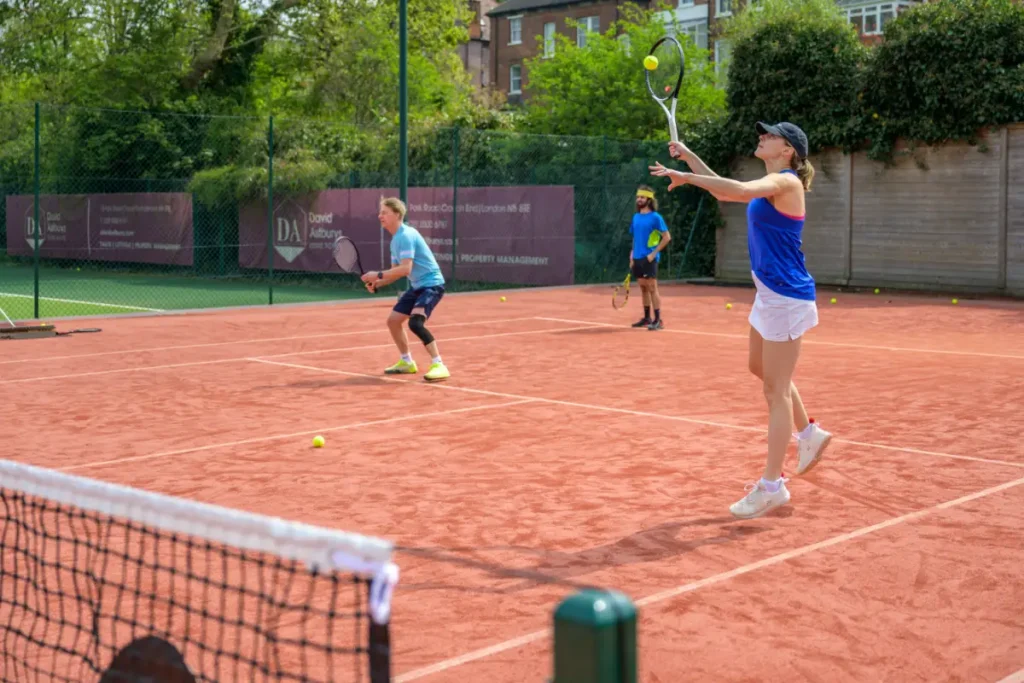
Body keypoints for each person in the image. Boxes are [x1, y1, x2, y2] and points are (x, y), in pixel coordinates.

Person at [649, 122, 832, 519]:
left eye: (770, 135)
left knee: (775, 390)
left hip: (786, 296)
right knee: (759, 367)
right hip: (769, 293)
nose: (762, 137)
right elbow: (723, 188)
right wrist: (690, 159)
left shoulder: (786, 184)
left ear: (788, 150)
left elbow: (739, 190)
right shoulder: (772, 181)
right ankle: (809, 433)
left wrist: (685, 176)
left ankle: (772, 486)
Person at [360, 197, 450, 382]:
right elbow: (395, 273)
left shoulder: (407, 235)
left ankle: (439, 364)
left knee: (415, 323)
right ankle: (407, 362)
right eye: (380, 212)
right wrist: (377, 283)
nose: (380, 216)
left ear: (397, 214)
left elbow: (406, 269)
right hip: (418, 286)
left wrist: (377, 275)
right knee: (393, 321)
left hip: (432, 285)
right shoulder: (395, 241)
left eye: (384, 212)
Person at [628, 186, 671, 330]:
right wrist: (632, 255)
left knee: (652, 288)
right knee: (643, 288)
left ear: (649, 199)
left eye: (642, 197)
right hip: (638, 258)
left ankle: (658, 320)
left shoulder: (656, 217)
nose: (639, 199)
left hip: (650, 258)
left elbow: (666, 237)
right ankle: (647, 318)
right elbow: (634, 238)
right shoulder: (636, 217)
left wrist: (653, 254)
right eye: (638, 197)